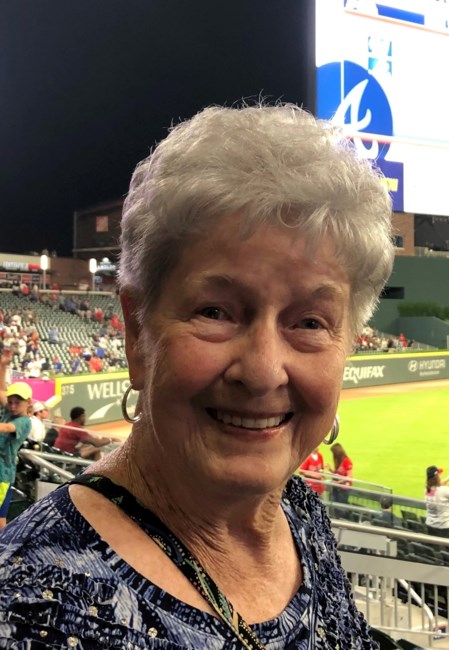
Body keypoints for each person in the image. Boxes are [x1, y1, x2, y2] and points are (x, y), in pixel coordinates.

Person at [0, 103, 394, 648]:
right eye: (215, 312)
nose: (262, 372)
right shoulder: (31, 607)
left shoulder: (297, 510)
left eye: (310, 322)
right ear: (137, 332)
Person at [0, 382, 32, 528]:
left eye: (17, 403)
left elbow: (7, 427)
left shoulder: (24, 421)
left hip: (3, 477)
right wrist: (3, 369)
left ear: (28, 402)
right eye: (10, 402)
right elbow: (2, 390)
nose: (12, 406)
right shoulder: (10, 412)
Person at [425, 465, 449, 538]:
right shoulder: (443, 491)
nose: (440, 476)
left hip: (431, 525)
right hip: (444, 527)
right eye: (439, 474)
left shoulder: (428, 489)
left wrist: (448, 479)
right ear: (436, 477)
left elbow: (438, 485)